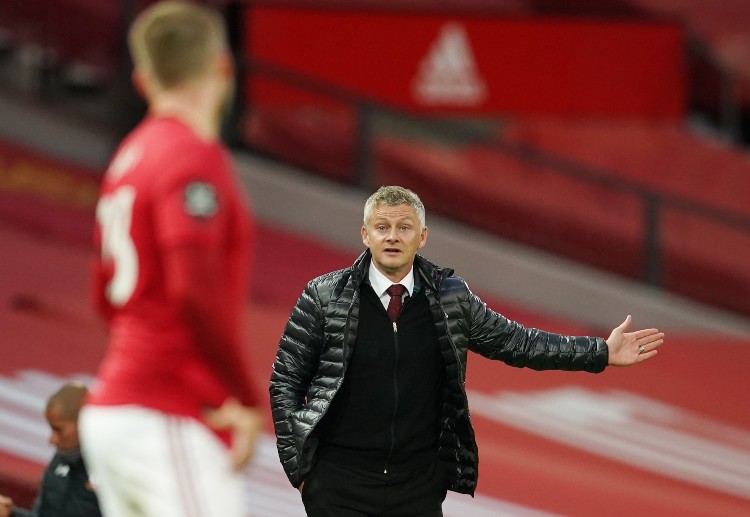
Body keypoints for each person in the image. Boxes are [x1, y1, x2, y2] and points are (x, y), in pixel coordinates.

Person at [269, 185, 665, 516]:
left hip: (418, 489)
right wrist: (302, 471)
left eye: (404, 227)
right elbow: (285, 380)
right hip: (339, 486)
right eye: (383, 227)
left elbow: (517, 342)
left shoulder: (450, 297)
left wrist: (600, 352)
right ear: (365, 234)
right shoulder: (322, 296)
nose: (393, 236)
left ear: (422, 237)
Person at [79, 2, 263, 517]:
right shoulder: (193, 158)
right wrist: (242, 396)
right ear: (223, 67)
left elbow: (104, 295)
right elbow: (194, 290)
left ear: (142, 79)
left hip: (117, 408)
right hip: (166, 416)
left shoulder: (129, 156)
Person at [0, 382, 101, 517]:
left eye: (58, 429)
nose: (52, 439)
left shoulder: (116, 469)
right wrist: (10, 514)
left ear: (84, 423)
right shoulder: (61, 460)